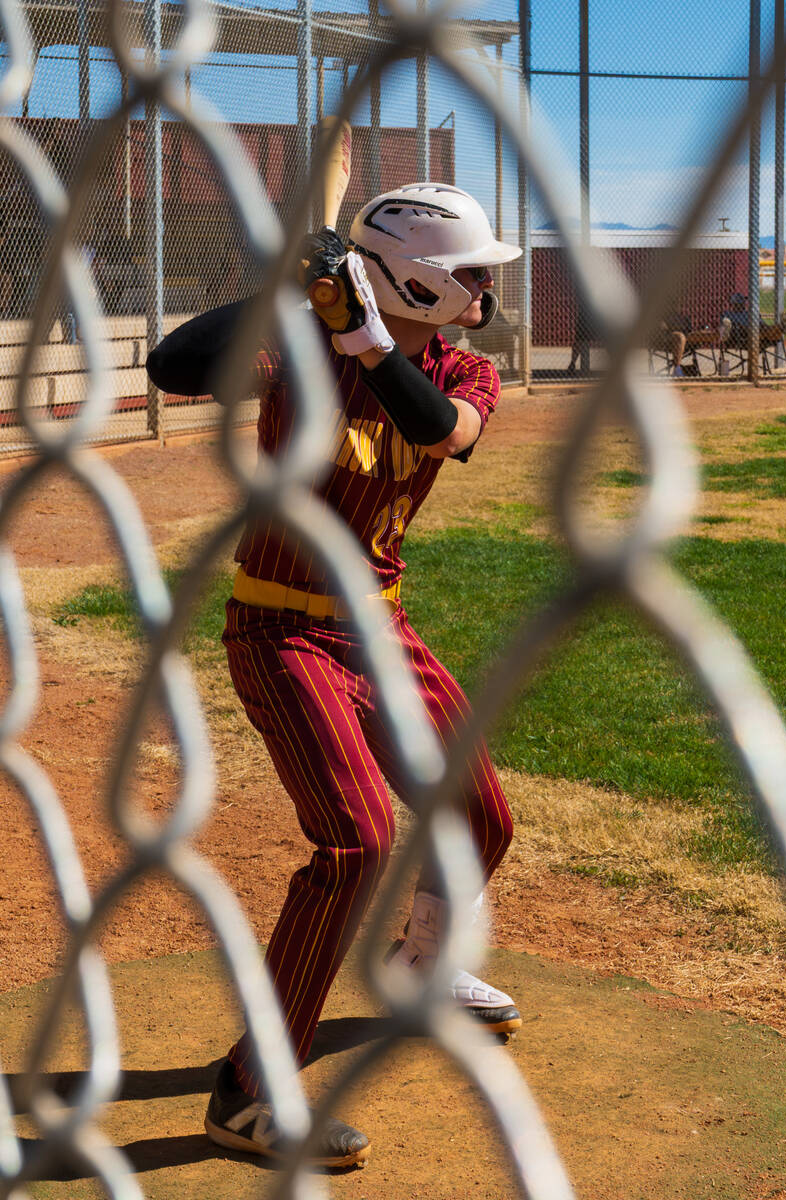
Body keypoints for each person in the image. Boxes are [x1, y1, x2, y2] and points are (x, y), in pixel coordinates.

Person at [146, 183, 522, 1170]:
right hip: (280, 630)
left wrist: (370, 342)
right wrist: (290, 291)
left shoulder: (462, 369)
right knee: (355, 845)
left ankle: (425, 973)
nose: (484, 287)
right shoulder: (303, 342)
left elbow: (447, 432)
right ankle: (247, 1094)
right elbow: (171, 365)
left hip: (380, 629)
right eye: (469, 270)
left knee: (483, 819)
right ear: (413, 276)